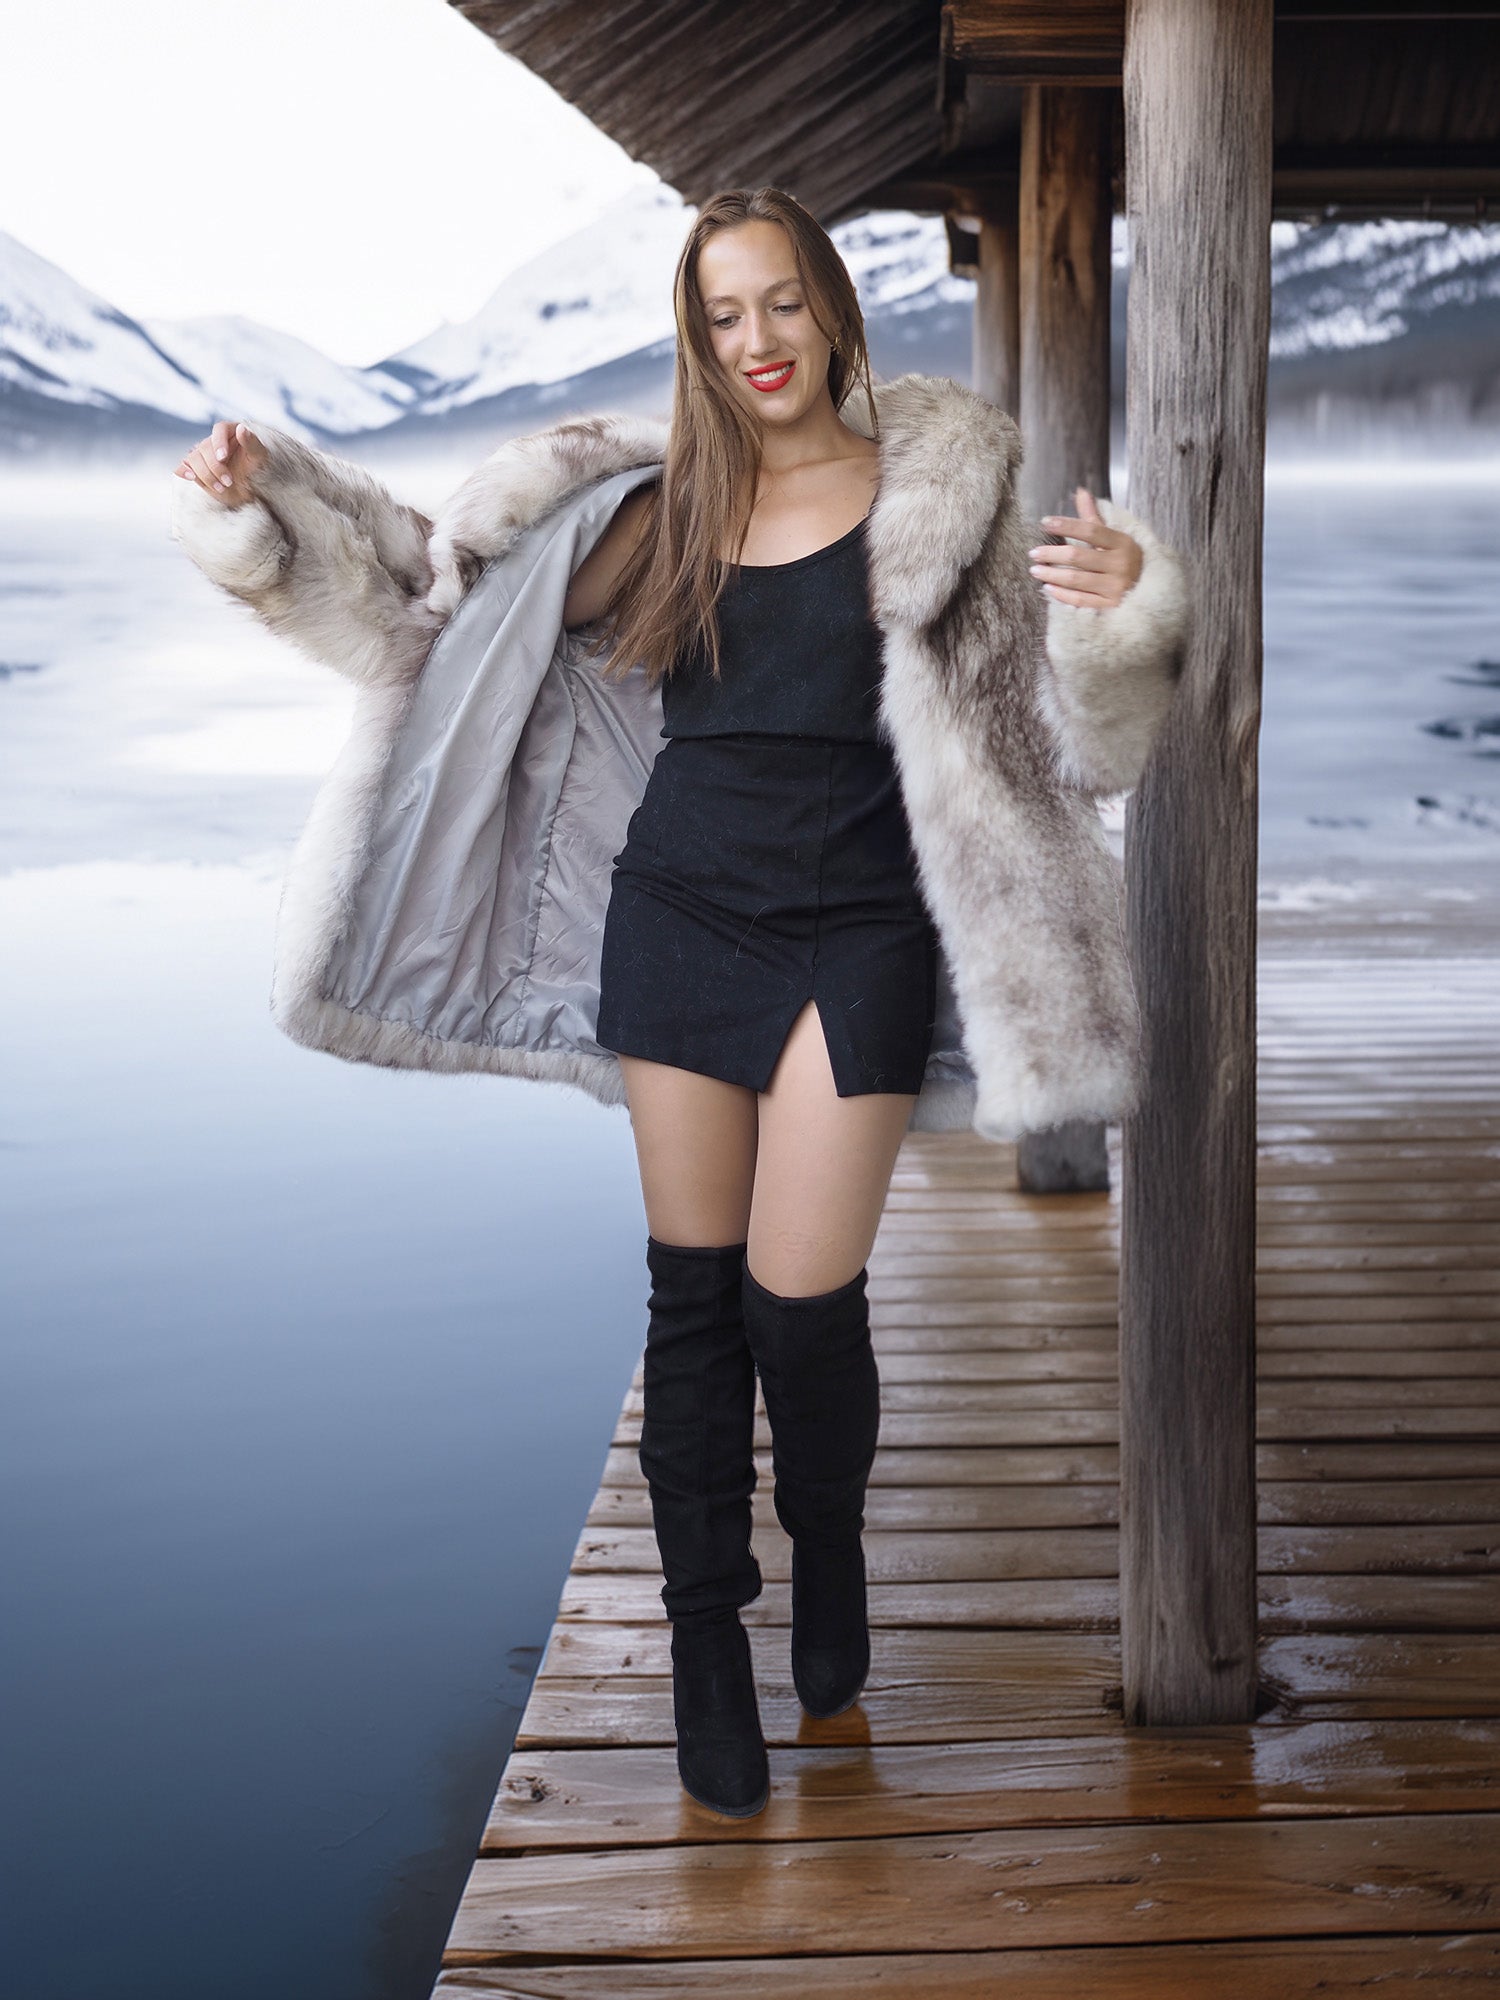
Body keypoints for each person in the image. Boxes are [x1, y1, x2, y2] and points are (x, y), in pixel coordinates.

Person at [170, 186, 1188, 1822]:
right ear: (696, 340)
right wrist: (266, 506)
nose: (757, 340)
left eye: (781, 302)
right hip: (683, 918)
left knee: (805, 1302)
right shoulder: (659, 512)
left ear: (833, 308)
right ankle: (708, 1645)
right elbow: (431, 604)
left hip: (862, 931)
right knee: (695, 1305)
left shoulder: (944, 503)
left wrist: (1121, 609)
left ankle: (828, 1544)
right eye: (723, 315)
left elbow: (1067, 745)